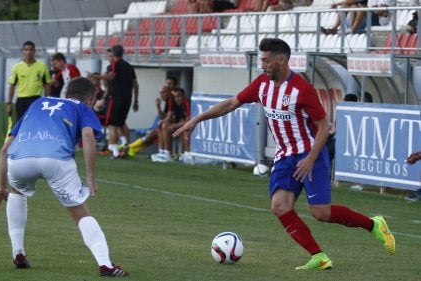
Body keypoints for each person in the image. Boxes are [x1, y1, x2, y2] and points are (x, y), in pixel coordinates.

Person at [173, 38, 395, 269]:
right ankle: (318, 256)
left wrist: (310, 158)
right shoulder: (262, 85)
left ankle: (373, 224)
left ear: (282, 60)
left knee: (321, 213)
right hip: (285, 156)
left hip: (310, 155)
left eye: (266, 61)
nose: (263, 65)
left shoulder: (302, 89)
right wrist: (196, 120)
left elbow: (323, 127)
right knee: (279, 206)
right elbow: (231, 103)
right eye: (261, 60)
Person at [0, 77, 128, 277]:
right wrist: (90, 177)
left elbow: (4, 149)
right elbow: (88, 136)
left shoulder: (37, 103)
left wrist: (1, 187)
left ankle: (18, 253)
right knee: (80, 213)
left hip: (19, 159)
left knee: (16, 191)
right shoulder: (82, 107)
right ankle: (106, 265)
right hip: (55, 160)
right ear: (91, 98)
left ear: (66, 92)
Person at [92, 45, 139, 159]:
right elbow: (135, 84)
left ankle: (114, 152)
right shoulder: (129, 66)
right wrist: (136, 100)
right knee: (121, 123)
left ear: (113, 54)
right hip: (127, 99)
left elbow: (110, 79)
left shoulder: (114, 65)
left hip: (116, 98)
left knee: (112, 125)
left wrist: (96, 76)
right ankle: (125, 145)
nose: (109, 57)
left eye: (110, 54)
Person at [6, 41, 51, 121]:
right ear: (23, 51)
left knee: (35, 122)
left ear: (34, 51)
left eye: (31, 50)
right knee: (21, 123)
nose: (28, 52)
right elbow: (12, 86)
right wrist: (9, 103)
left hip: (36, 99)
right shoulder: (17, 67)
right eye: (26, 50)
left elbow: (46, 85)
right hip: (22, 100)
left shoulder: (42, 66)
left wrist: (48, 101)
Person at [126, 84, 172, 157]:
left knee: (158, 129)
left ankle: (130, 147)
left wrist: (162, 121)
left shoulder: (172, 101)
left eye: (163, 93)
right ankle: (132, 149)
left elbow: (169, 118)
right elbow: (162, 117)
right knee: (157, 130)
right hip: (168, 126)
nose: (161, 95)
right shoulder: (168, 102)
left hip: (174, 126)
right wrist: (158, 107)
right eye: (160, 93)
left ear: (169, 92)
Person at [152, 88, 191, 163]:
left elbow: (188, 122)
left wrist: (174, 125)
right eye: (175, 97)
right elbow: (167, 117)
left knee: (184, 130)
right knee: (162, 125)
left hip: (187, 128)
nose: (177, 99)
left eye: (179, 96)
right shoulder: (173, 103)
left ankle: (187, 154)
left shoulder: (187, 103)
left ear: (184, 96)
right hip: (177, 130)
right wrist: (159, 108)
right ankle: (164, 152)